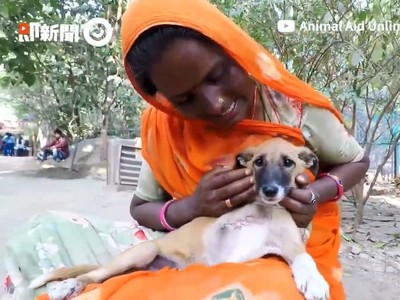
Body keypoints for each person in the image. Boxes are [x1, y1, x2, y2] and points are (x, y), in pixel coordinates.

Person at [4, 1, 369, 300]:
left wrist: (314, 193)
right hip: (193, 241)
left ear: (233, 48)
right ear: (161, 100)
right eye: (185, 98)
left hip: (278, 244)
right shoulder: (164, 126)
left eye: (217, 74)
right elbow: (140, 209)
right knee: (42, 233)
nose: (215, 103)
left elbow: (357, 160)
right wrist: (191, 206)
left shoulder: (294, 109)